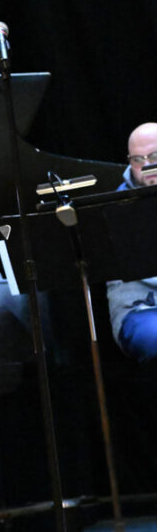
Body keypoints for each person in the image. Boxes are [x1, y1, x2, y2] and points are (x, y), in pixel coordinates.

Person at [106, 122, 157, 366]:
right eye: (138, 160)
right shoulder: (120, 206)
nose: (147, 166)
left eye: (154, 156)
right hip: (143, 308)